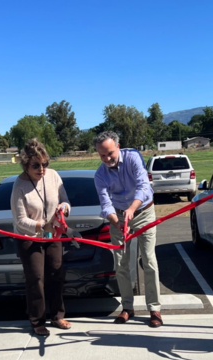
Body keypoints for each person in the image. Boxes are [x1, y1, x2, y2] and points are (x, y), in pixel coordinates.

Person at [93, 131, 162, 328]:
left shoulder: (133, 157)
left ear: (118, 146)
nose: (107, 159)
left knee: (148, 260)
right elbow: (105, 204)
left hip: (143, 212)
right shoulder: (100, 175)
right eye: (102, 155)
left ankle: (154, 309)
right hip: (119, 217)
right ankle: (127, 307)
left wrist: (131, 209)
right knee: (122, 263)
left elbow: (143, 186)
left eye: (110, 153)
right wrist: (116, 221)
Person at [10, 138, 72, 336]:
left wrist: (64, 208)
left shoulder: (54, 176)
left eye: (45, 164)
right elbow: (20, 220)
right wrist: (40, 225)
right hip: (30, 238)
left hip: (53, 235)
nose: (42, 169)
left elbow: (65, 200)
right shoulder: (19, 186)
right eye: (36, 165)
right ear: (25, 164)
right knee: (36, 278)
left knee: (56, 274)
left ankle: (57, 316)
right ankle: (37, 321)